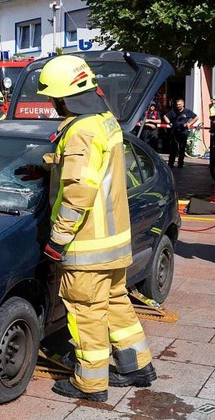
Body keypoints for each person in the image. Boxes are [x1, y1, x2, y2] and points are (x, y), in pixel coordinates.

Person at [33, 55, 156, 402]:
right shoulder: (104, 122)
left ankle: (90, 383)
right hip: (113, 242)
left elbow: (78, 191)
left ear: (62, 97)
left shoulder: (79, 131)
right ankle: (137, 366)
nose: (52, 104)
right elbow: (94, 171)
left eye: (52, 98)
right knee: (117, 303)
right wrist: (46, 169)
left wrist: (57, 239)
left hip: (86, 245)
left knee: (85, 313)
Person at [163, 98, 198, 168]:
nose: (178, 106)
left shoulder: (187, 111)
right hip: (175, 131)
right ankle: (171, 163)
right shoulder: (173, 111)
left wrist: (189, 124)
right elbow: (165, 116)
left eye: (179, 104)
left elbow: (196, 117)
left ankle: (180, 163)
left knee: (182, 148)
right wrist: (169, 122)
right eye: (177, 104)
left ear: (183, 104)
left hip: (183, 132)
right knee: (173, 148)